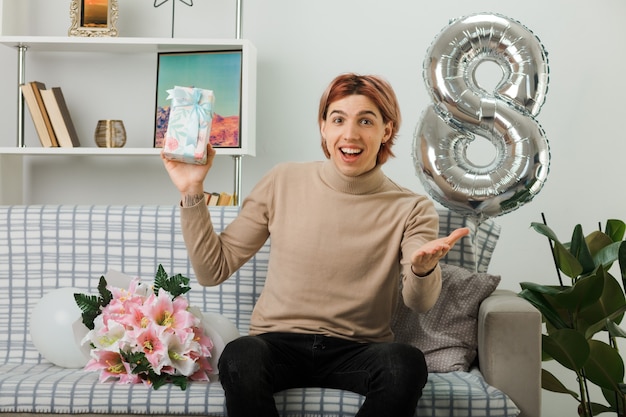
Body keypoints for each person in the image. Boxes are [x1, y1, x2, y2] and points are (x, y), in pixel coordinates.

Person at [162, 73, 469, 417]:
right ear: (323, 127)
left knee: (405, 363)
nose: (350, 135)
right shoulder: (283, 180)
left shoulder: (412, 207)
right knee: (239, 355)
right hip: (276, 345)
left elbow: (420, 301)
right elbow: (212, 270)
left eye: (365, 121)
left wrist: (422, 269)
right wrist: (192, 190)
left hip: (358, 351)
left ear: (386, 130)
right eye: (338, 119)